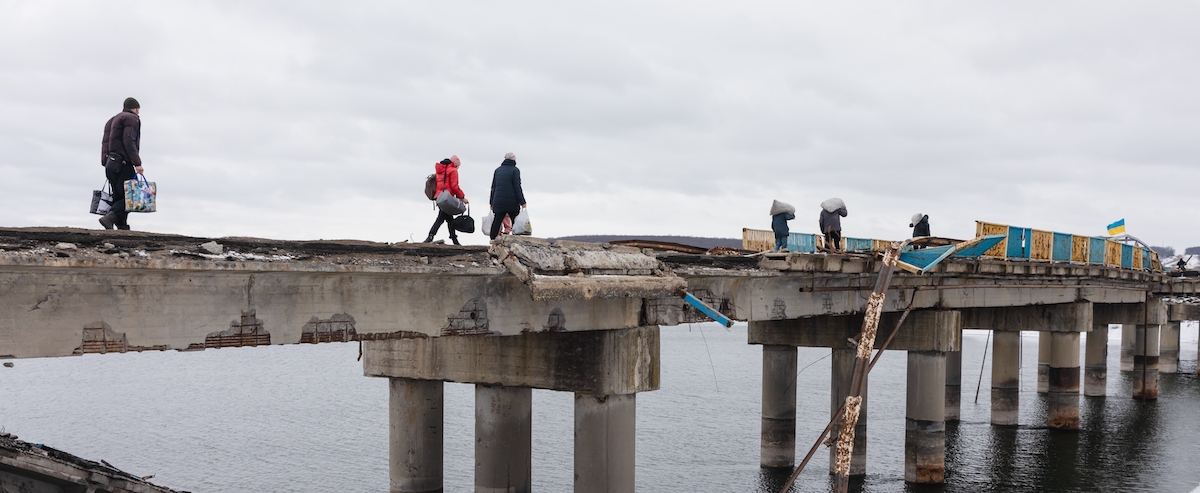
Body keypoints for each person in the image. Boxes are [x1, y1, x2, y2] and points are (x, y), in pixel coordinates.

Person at [98, 97, 143, 230]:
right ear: (135, 108)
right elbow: (129, 141)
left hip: (111, 163)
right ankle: (110, 217)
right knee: (131, 196)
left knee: (119, 195)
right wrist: (137, 163)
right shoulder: (131, 118)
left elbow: (105, 143)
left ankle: (121, 226)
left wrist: (105, 162)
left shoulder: (112, 120)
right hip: (123, 163)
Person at [424, 155, 468, 245]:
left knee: (448, 218)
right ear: (455, 164)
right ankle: (431, 236)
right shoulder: (453, 170)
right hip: (447, 198)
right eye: (458, 166)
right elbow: (455, 186)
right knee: (441, 218)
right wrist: (462, 197)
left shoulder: (441, 170)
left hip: (439, 197)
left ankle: (454, 239)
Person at [488, 152, 526, 240]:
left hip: (499, 201)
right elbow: (517, 187)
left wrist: (491, 202)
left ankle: (492, 240)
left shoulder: (497, 170)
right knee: (515, 221)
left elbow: (493, 187)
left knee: (497, 220)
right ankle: (517, 240)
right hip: (512, 202)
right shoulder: (515, 170)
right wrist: (522, 202)